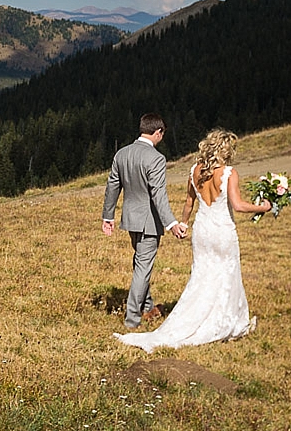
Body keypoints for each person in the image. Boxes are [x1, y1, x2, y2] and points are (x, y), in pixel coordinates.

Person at [114, 127, 271, 352]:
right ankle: (227, 321)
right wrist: (262, 207)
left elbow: (189, 203)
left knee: (201, 274)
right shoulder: (229, 173)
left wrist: (183, 224)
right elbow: (238, 205)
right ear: (226, 151)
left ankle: (195, 316)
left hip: (202, 230)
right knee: (227, 273)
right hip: (222, 231)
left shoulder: (195, 170)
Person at [102, 114, 187, 331]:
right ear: (158, 132)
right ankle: (132, 319)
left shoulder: (122, 154)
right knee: (142, 267)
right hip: (149, 222)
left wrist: (108, 216)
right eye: (162, 134)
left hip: (130, 219)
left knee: (140, 263)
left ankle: (147, 306)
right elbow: (158, 194)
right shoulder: (156, 158)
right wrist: (171, 223)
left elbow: (113, 186)